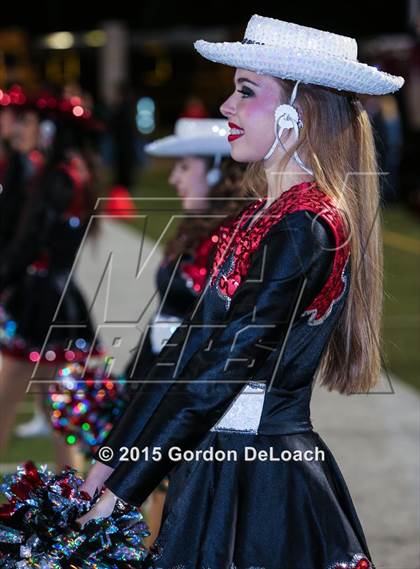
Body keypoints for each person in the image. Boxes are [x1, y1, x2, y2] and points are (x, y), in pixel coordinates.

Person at [37, 15, 407, 568]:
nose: (226, 108)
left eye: (244, 92)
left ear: (295, 113)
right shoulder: (265, 216)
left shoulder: (306, 226)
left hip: (261, 484)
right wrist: (108, 464)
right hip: (219, 464)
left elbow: (219, 372)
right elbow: (184, 353)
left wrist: (123, 493)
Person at [0, 95, 104, 468]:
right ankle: (70, 504)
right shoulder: (72, 172)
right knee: (57, 416)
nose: (19, 131)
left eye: (28, 123)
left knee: (13, 405)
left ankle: (73, 501)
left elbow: (28, 243)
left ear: (48, 130)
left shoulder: (56, 179)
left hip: (41, 305)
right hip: (55, 301)